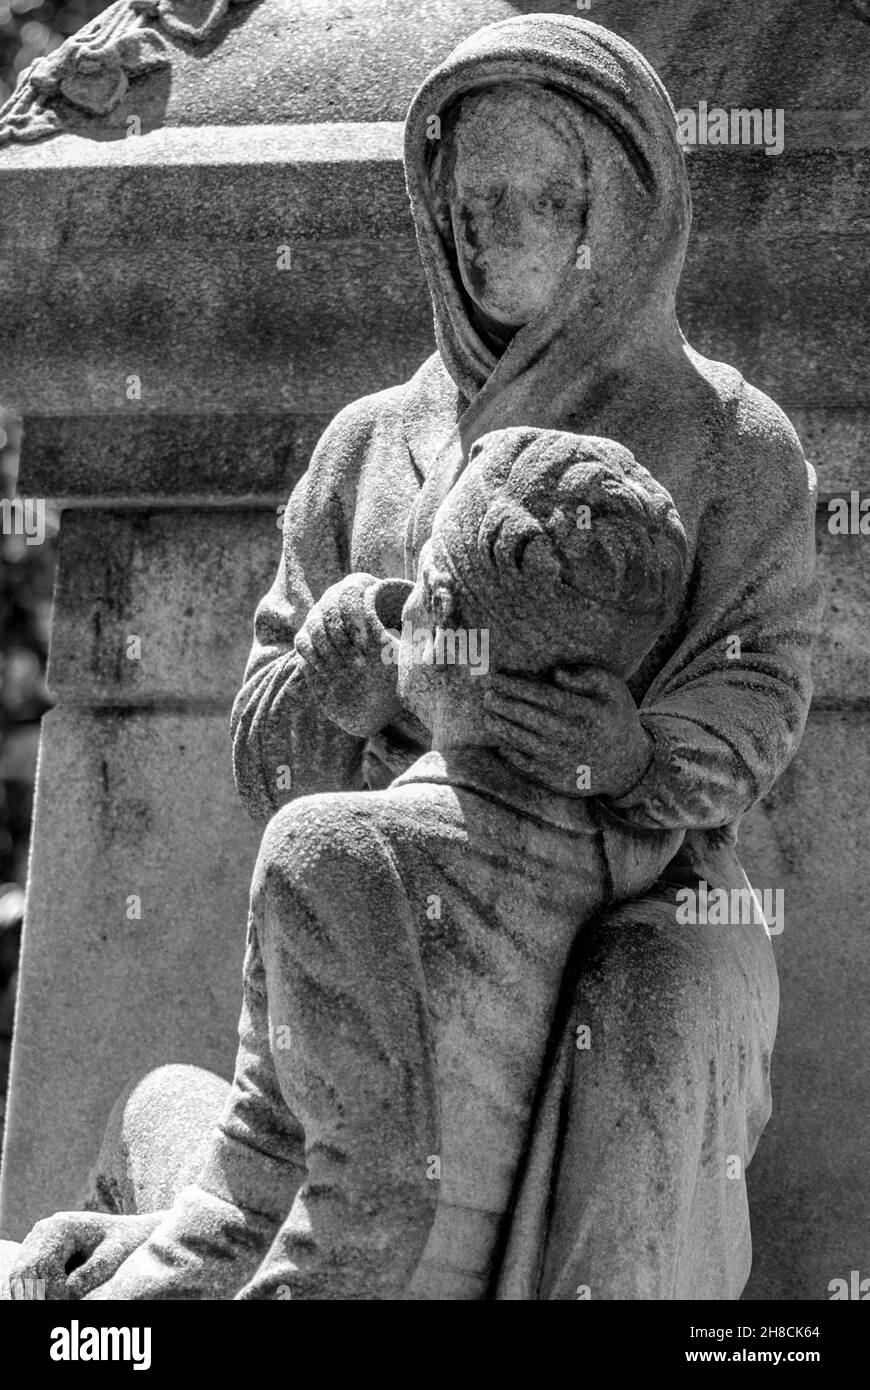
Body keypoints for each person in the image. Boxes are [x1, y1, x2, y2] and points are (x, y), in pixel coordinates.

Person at [4, 13, 822, 1299]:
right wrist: (330, 695)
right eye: (471, 198)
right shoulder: (368, 446)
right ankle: (180, 1209)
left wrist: (635, 753)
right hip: (407, 882)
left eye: (538, 197)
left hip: (644, 894)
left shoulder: (731, 437)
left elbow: (763, 691)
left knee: (658, 1001)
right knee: (302, 1098)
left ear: (613, 208)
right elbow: (265, 749)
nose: (493, 228)